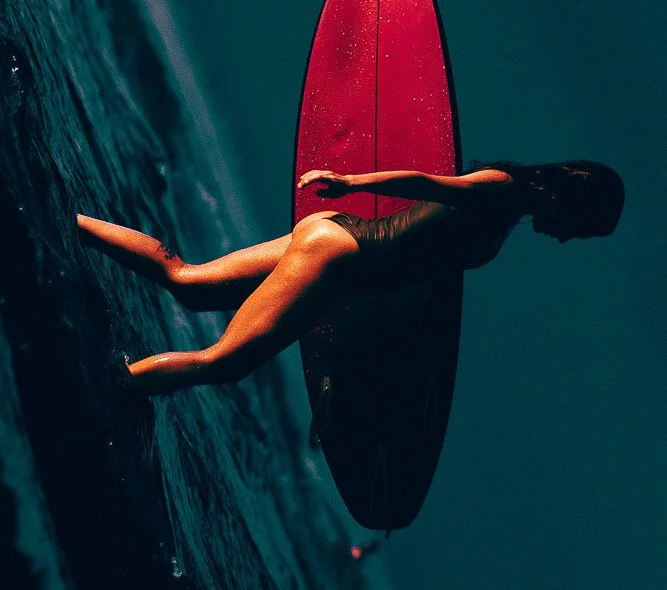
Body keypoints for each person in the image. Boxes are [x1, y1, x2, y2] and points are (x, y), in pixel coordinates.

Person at [76, 160, 624, 397]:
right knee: (221, 364)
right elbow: (430, 184)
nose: (571, 239)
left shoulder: (508, 212)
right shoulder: (505, 189)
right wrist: (351, 181)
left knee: (187, 282)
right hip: (338, 255)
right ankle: (114, 387)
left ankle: (70, 221)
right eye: (582, 228)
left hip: (332, 241)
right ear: (571, 200)